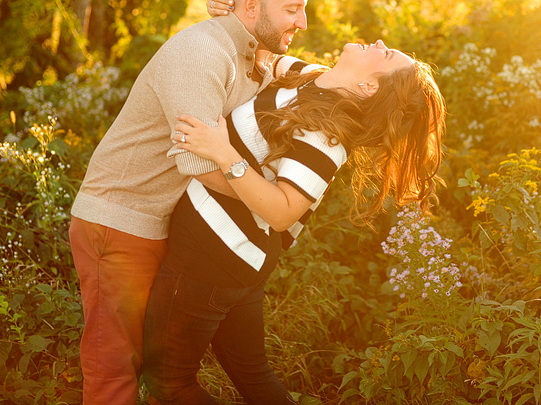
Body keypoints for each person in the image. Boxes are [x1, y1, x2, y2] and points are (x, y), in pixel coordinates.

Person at [69, 0, 316, 405]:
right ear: (253, 6)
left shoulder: (252, 56)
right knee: (115, 367)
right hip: (121, 220)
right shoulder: (201, 52)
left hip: (161, 223)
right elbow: (198, 163)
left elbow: (319, 78)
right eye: (293, 9)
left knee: (154, 366)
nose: (303, 21)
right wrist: (272, 201)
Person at [143, 39, 446, 404]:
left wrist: (223, 152)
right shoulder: (311, 77)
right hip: (239, 259)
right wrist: (227, 7)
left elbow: (284, 211)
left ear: (369, 87)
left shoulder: (327, 137)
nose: (380, 43)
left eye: (385, 54)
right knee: (253, 376)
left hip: (215, 258)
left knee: (169, 382)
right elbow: (262, 55)